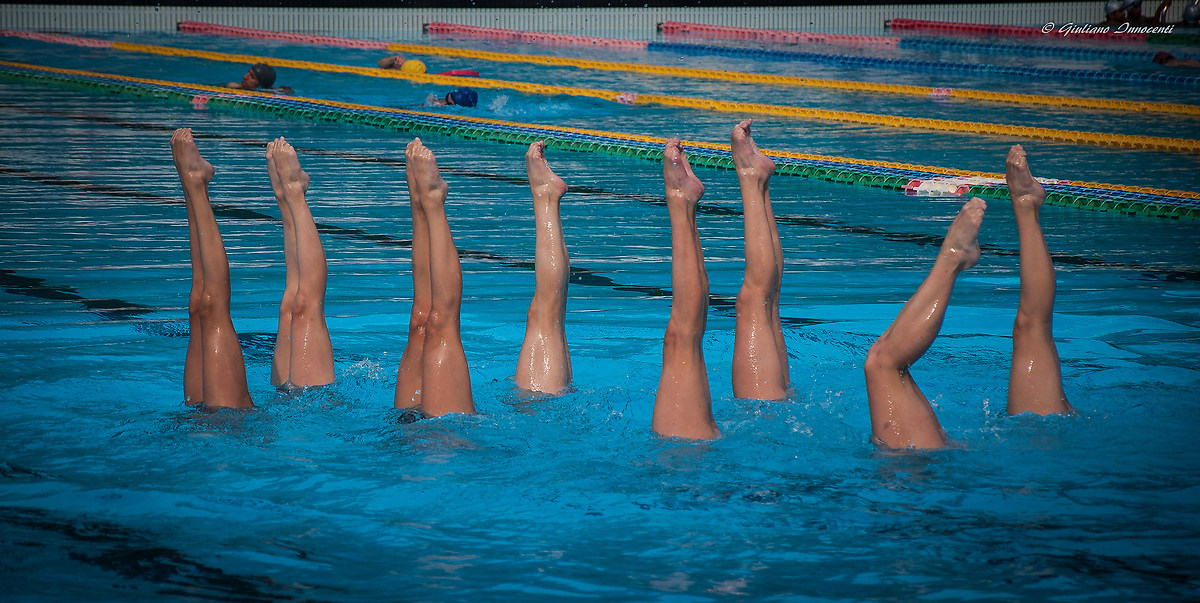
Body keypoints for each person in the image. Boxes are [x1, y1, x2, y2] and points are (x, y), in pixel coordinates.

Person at [865, 146, 1074, 449]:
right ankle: (1023, 208)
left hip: (920, 473)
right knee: (882, 363)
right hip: (1036, 448)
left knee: (1033, 328)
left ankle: (960, 253)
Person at [171, 128, 253, 409]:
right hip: (217, 427)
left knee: (203, 307)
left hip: (212, 428)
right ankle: (194, 184)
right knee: (206, 308)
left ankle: (193, 184)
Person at [394, 138, 475, 417]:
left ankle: (423, 203)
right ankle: (429, 201)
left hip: (414, 438)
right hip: (445, 445)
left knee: (423, 321)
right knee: (435, 325)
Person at [652, 138, 720, 440]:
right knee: (681, 342)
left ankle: (683, 202)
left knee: (756, 304)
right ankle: (680, 201)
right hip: (689, 465)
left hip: (692, 466)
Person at [1004, 144, 1074, 418]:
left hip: (1039, 437)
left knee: (1031, 328)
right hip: (1041, 435)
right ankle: (1025, 206)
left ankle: (1026, 206)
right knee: (1031, 328)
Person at [265, 137, 336, 389]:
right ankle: (292, 194)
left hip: (289, 412)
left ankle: (288, 197)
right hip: (312, 416)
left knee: (291, 307)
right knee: (302, 307)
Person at [730, 120, 790, 400]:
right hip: (768, 421)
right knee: (758, 303)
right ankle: (754, 182)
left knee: (765, 304)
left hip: (772, 420)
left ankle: (757, 183)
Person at [515, 141, 572, 395]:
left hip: (539, 415)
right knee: (546, 318)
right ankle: (545, 197)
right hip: (538, 411)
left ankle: (546, 197)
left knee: (547, 316)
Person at [227, 63, 292, 94]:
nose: (245, 76)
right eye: (248, 72)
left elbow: (288, 91)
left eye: (252, 77)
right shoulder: (234, 86)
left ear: (260, 85)